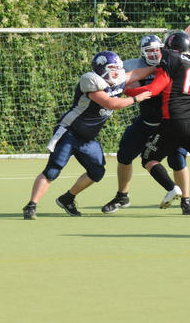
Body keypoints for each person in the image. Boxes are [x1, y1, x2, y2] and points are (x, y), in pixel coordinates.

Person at [22, 51, 154, 220]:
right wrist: (136, 99)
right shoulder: (90, 80)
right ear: (101, 68)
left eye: (118, 68)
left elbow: (138, 73)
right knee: (53, 170)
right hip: (69, 132)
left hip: (87, 139)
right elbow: (110, 103)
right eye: (112, 68)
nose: (116, 72)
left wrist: (161, 66)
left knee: (96, 172)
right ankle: (31, 206)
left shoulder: (118, 78)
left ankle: (67, 198)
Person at [126, 31, 190, 218]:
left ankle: (172, 188)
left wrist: (128, 92)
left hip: (175, 123)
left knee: (149, 159)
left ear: (172, 49)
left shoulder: (172, 61)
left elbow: (153, 90)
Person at [100, 35, 190, 215]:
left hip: (169, 123)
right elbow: (118, 82)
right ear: (142, 52)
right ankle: (122, 196)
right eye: (149, 51)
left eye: (157, 50)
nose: (154, 54)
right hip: (146, 120)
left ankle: (186, 200)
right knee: (124, 154)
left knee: (178, 160)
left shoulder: (174, 63)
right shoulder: (132, 66)